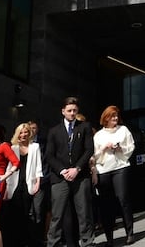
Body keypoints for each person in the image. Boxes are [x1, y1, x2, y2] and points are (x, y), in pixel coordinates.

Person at [44, 97, 94, 247]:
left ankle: (87, 241)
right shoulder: (54, 131)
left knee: (84, 211)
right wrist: (63, 170)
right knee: (57, 214)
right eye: (69, 111)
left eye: (75, 111)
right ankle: (53, 243)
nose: (72, 113)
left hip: (80, 175)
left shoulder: (84, 127)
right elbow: (49, 155)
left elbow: (89, 149)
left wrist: (77, 168)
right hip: (60, 177)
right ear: (63, 112)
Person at [93, 106, 136, 245]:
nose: (115, 119)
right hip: (104, 170)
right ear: (106, 118)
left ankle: (129, 232)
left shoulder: (123, 130)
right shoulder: (98, 135)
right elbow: (93, 156)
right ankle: (109, 238)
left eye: (116, 116)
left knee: (123, 199)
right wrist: (104, 148)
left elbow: (131, 146)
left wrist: (120, 148)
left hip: (120, 167)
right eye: (112, 116)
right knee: (106, 204)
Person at [5, 122, 44, 247]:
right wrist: (5, 185)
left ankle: (25, 240)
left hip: (28, 183)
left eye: (26, 132)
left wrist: (38, 181)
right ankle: (15, 240)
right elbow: (9, 167)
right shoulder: (13, 148)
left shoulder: (35, 147)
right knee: (14, 212)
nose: (23, 134)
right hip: (13, 184)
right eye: (21, 132)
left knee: (26, 212)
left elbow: (38, 166)